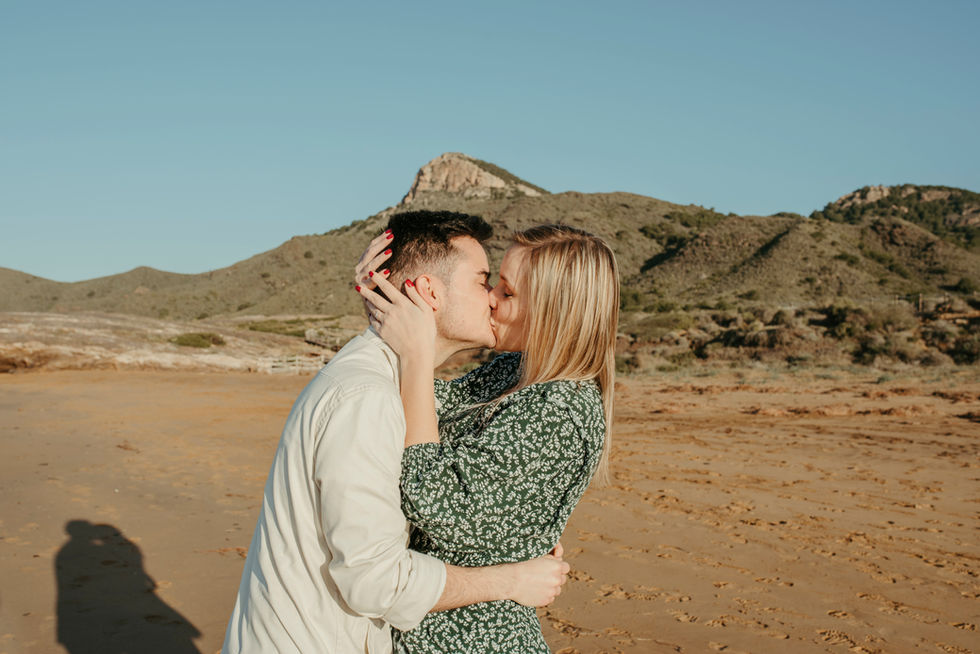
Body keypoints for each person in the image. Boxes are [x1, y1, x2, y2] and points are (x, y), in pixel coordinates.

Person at [223, 211, 570, 654]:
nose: (492, 300)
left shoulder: (388, 382)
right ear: (428, 291)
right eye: (483, 281)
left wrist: (520, 526)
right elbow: (373, 580)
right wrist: (512, 578)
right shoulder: (366, 396)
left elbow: (456, 433)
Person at [357, 224, 619, 653]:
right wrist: (387, 299)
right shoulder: (514, 372)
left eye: (508, 292)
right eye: (493, 282)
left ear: (555, 311)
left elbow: (436, 501)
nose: (491, 298)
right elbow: (416, 404)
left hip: (472, 639)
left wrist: (418, 357)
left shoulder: (563, 409)